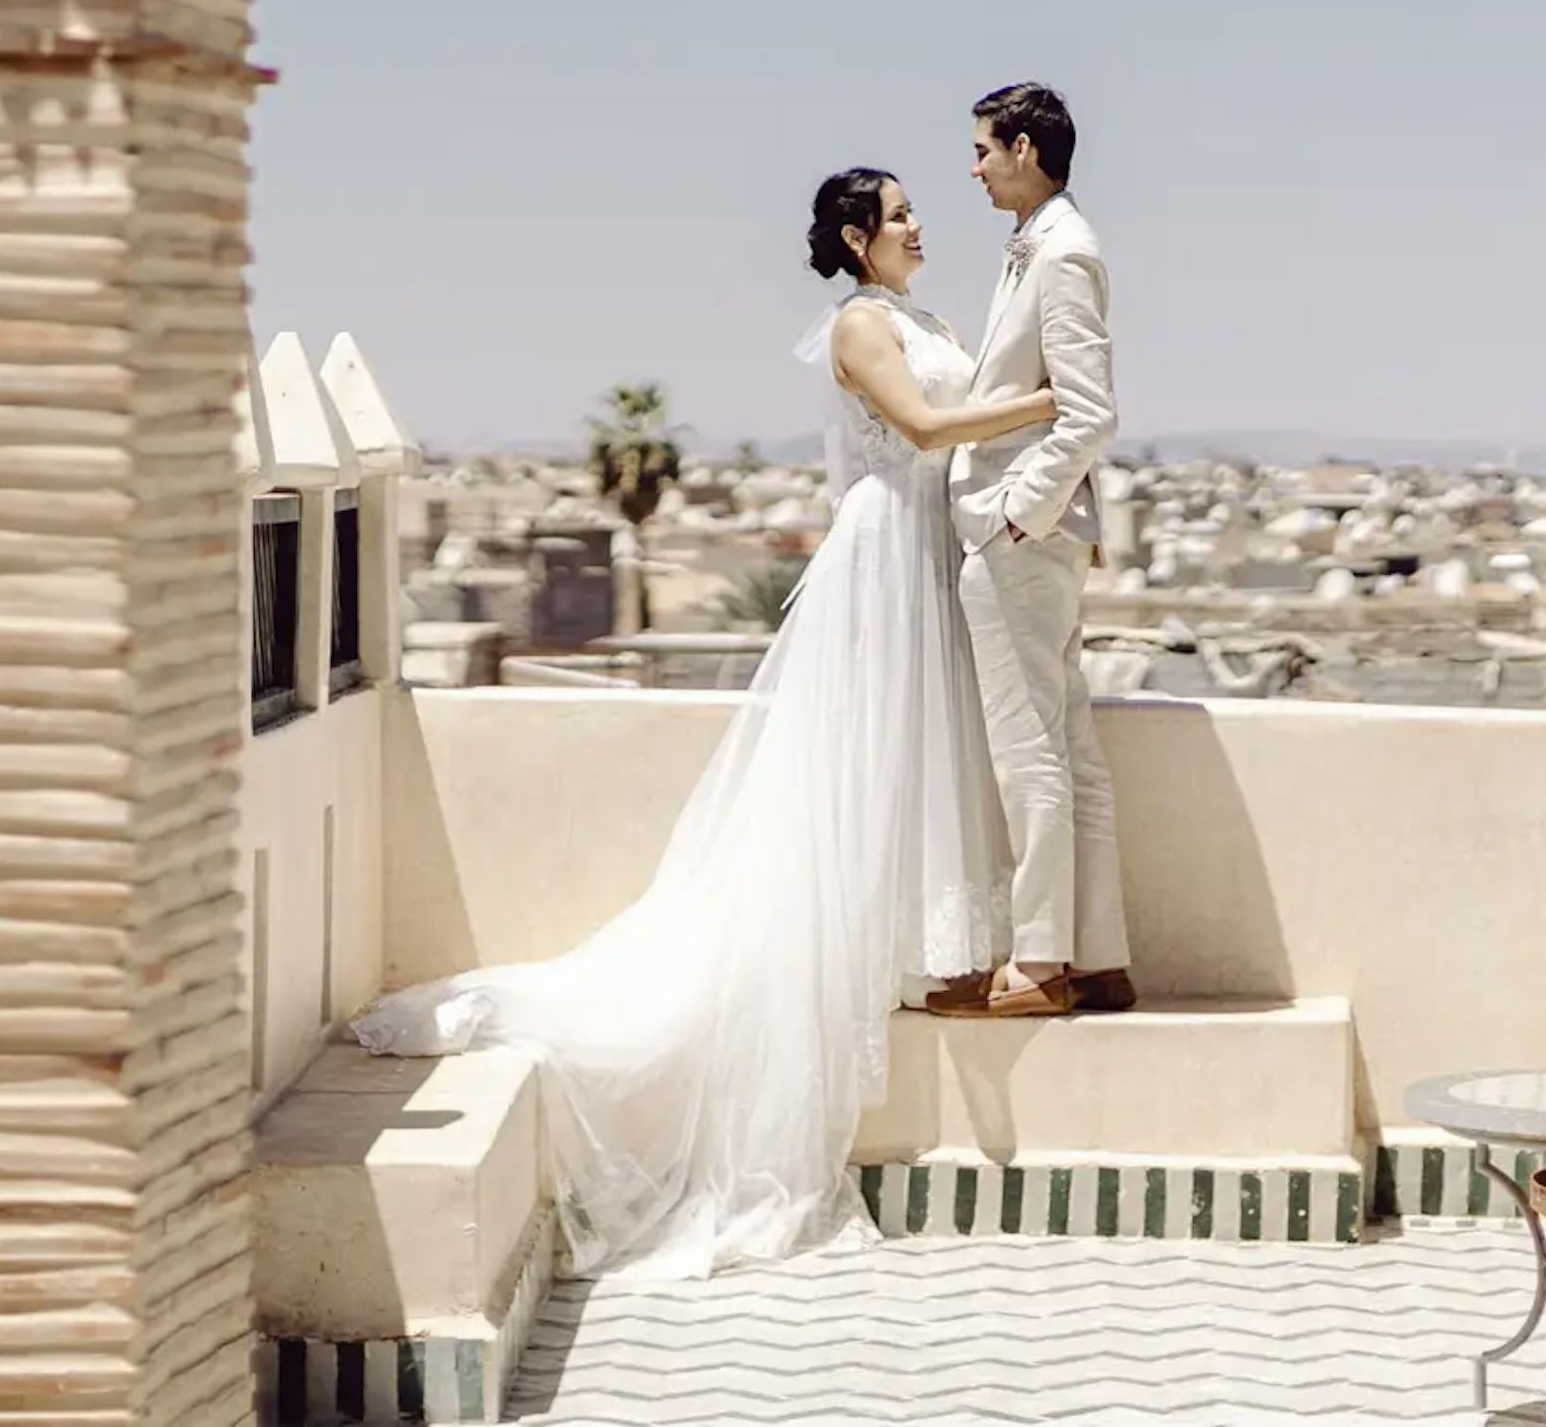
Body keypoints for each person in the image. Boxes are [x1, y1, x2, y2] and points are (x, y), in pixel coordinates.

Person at [346, 168, 1046, 1276]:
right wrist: (1049, 403)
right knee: (859, 755)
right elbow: (921, 430)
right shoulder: (861, 325)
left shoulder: (930, 317)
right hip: (881, 550)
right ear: (860, 238)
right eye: (903, 213)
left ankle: (924, 951)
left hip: (933, 549)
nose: (922, 225)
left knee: (921, 746)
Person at [935, 82, 1135, 1020]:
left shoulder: (1062, 254)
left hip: (1024, 537)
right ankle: (1098, 955)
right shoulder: (1045, 246)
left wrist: (1015, 513)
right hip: (1043, 536)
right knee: (1070, 749)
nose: (972, 166)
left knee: (1030, 752)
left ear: (1022, 146)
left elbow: (1089, 410)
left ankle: (1043, 958)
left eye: (982, 148)